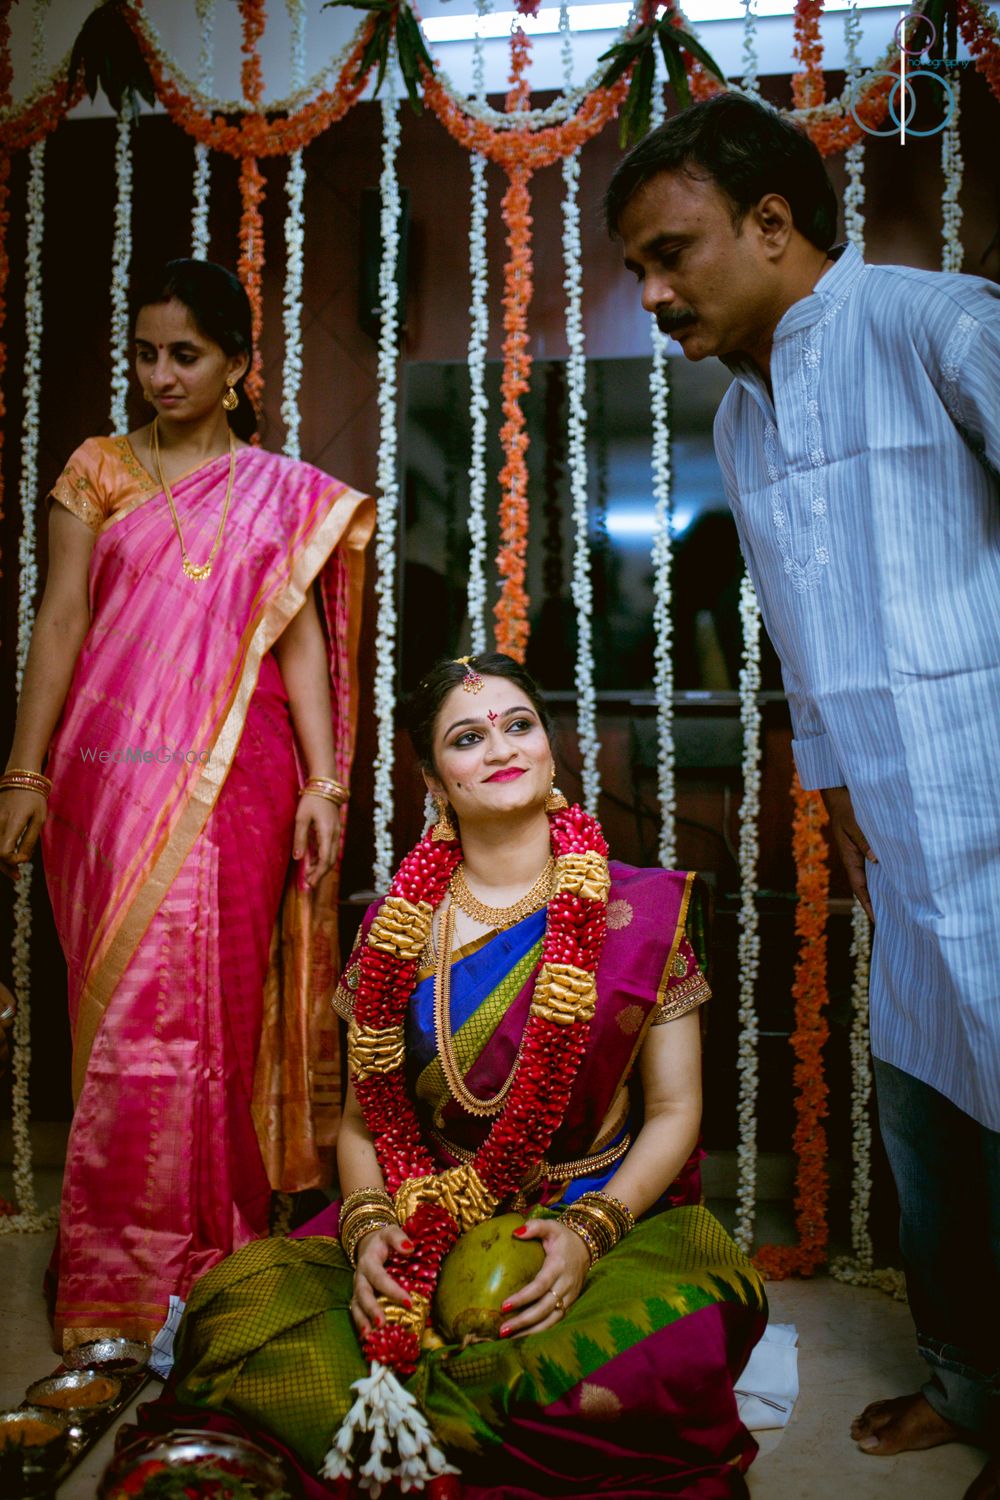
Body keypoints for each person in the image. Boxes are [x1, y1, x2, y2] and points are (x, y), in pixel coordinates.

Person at [604, 93, 1000, 1497]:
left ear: (774, 224)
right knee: (934, 1135)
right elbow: (808, 651)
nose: (652, 293)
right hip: (901, 840)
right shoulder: (744, 428)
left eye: (674, 252)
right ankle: (970, 1387)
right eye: (637, 267)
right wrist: (837, 810)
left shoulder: (937, 325)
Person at [169, 652, 768, 1498]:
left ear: (551, 749)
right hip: (426, 1204)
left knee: (630, 1375)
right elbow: (360, 1121)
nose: (499, 747)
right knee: (236, 1318)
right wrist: (371, 1227)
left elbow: (674, 1111)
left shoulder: (642, 909)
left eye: (518, 725)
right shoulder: (391, 926)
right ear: (432, 777)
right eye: (466, 737)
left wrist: (590, 1233)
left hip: (592, 1207)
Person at [0, 259, 374, 1351]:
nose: (161, 374)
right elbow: (61, 622)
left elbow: (297, 641)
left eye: (186, 355)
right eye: (147, 352)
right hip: (108, 781)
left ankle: (211, 1257)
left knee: (216, 1012)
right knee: (121, 1014)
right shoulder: (97, 472)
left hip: (240, 780)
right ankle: (114, 1264)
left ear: (237, 367)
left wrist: (322, 780)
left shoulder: (280, 492)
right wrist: (23, 772)